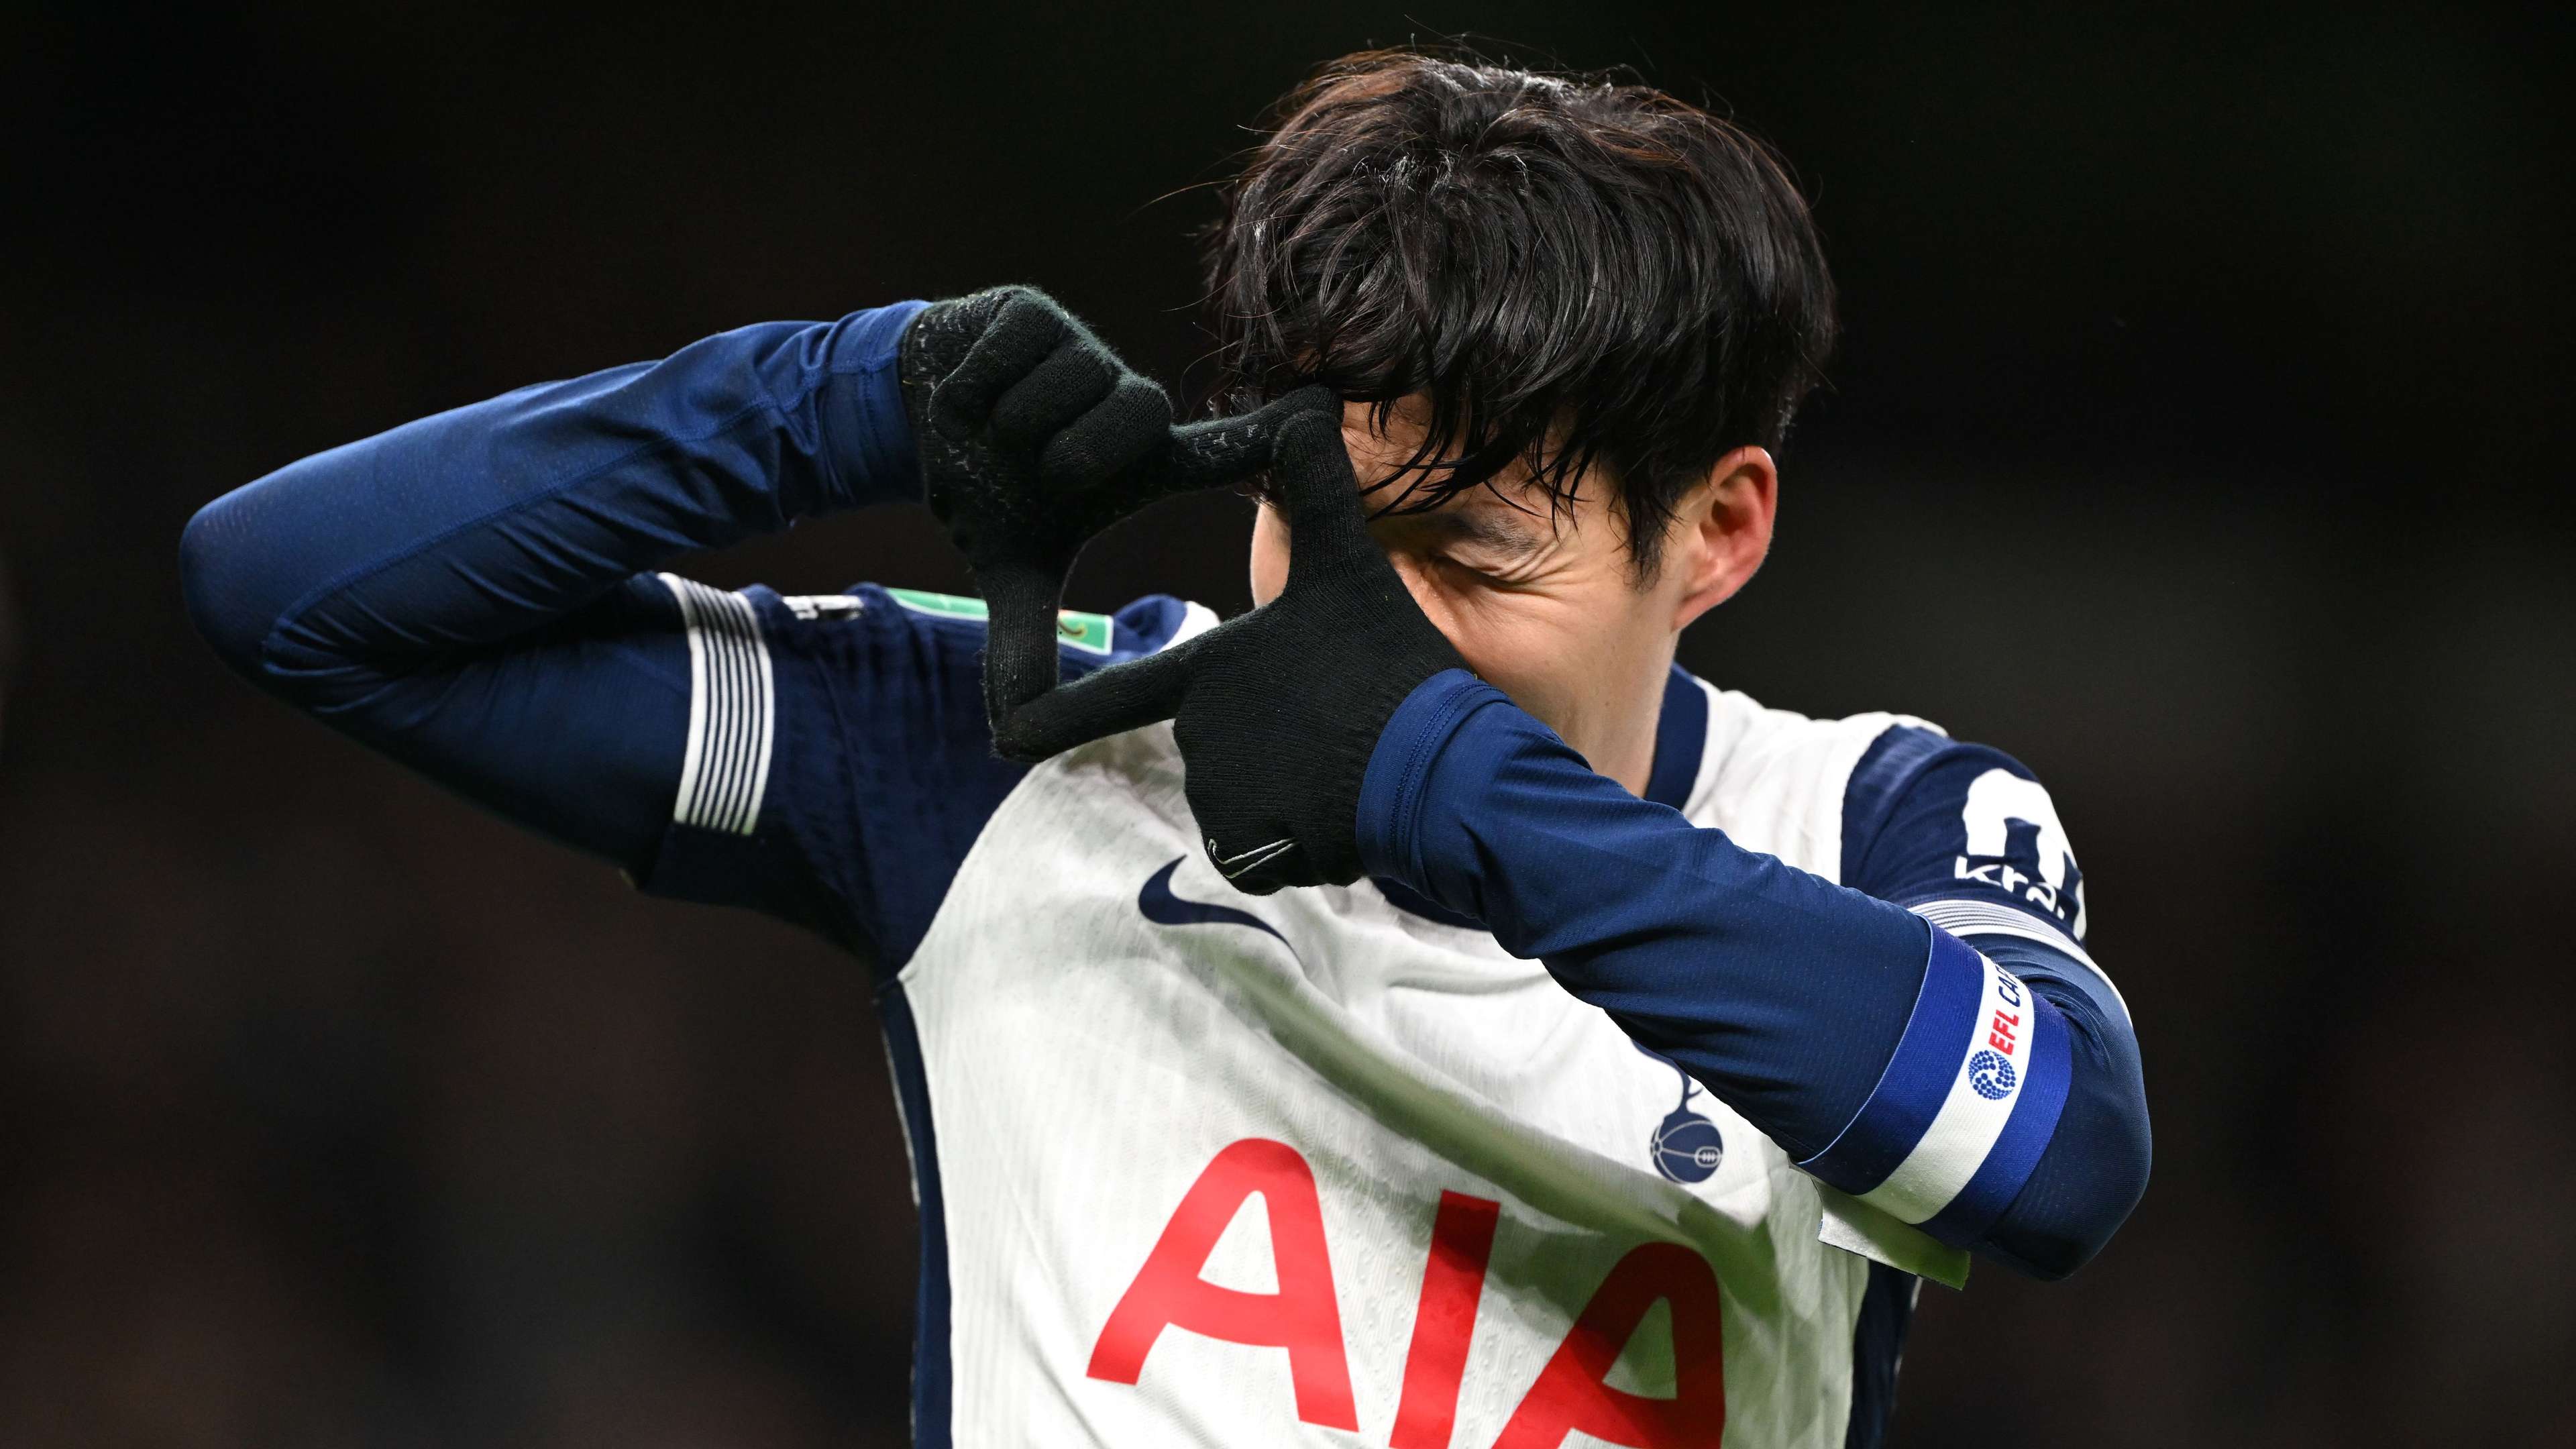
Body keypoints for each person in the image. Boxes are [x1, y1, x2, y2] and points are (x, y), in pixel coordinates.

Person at [180, 47, 2147, 1449]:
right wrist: (825, 400)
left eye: (1468, 560)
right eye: (1324, 529)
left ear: (1715, 531)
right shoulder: (1039, 753)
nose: (1364, 630)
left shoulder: (1877, 814)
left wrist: (1440, 787)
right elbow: (302, 594)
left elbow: (2051, 1157)